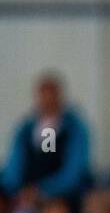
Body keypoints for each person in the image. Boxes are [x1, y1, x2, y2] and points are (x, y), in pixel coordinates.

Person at [1, 72, 92, 203]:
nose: (48, 102)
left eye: (51, 97)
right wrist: (17, 189)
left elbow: (73, 171)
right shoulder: (26, 129)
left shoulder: (73, 128)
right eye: (44, 97)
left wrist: (43, 190)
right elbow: (14, 164)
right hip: (24, 193)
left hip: (60, 196)